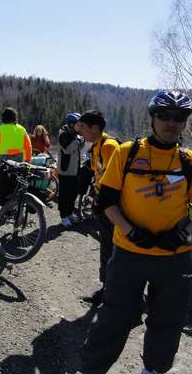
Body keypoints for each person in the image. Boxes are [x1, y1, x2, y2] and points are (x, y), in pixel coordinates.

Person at [80, 91, 192, 374]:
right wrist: (131, 232)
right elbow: (106, 202)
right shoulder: (127, 152)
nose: (171, 123)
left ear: (185, 122)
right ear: (153, 118)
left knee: (168, 321)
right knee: (114, 317)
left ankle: (154, 370)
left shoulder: (191, 161)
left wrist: (183, 236)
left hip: (175, 257)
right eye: (164, 116)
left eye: (179, 117)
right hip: (129, 253)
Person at [78, 110, 121, 305]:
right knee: (107, 246)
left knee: (112, 248)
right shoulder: (97, 145)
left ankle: (112, 292)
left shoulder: (109, 146)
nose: (81, 132)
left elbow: (114, 181)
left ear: (95, 128)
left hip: (110, 206)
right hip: (102, 202)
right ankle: (108, 288)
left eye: (83, 128)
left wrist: (102, 200)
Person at [58, 112, 85, 227]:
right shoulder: (63, 134)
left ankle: (69, 213)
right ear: (71, 124)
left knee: (73, 193)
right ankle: (64, 216)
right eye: (79, 125)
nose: (80, 127)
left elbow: (80, 147)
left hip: (75, 169)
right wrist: (78, 141)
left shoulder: (75, 134)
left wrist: (81, 141)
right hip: (65, 170)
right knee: (64, 194)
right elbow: (67, 150)